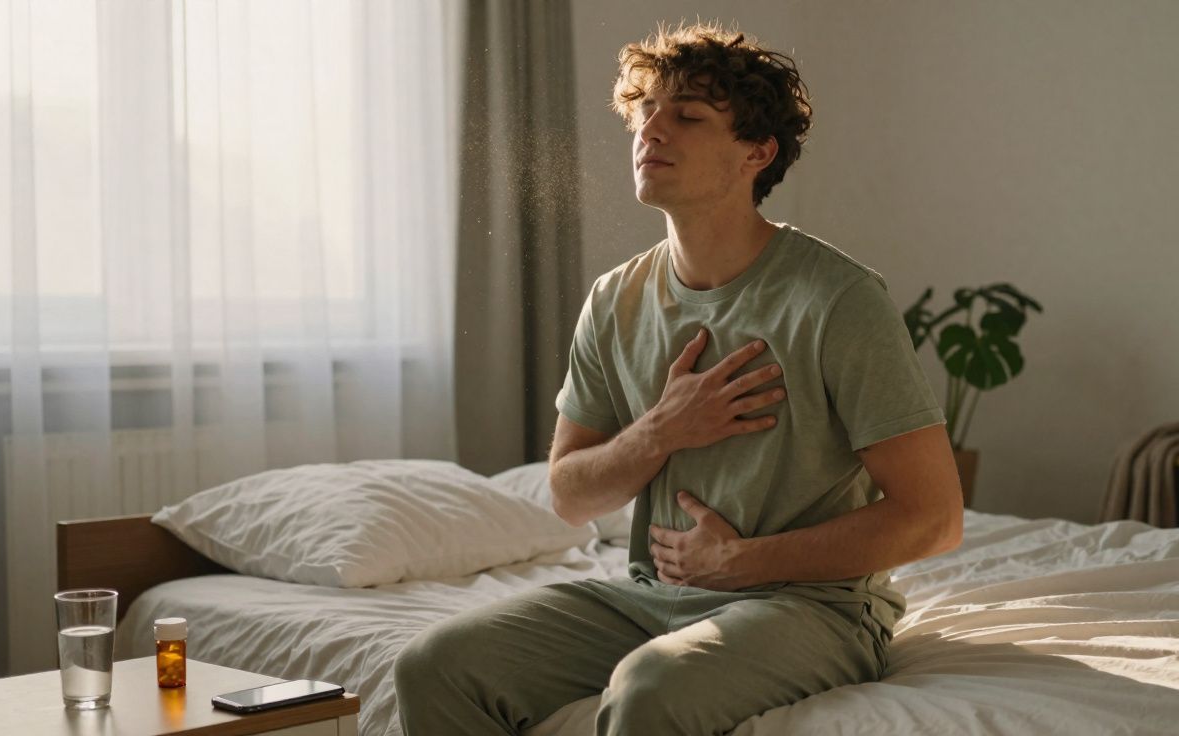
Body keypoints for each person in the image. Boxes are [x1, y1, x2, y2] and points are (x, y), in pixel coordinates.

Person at [394, 20, 963, 736]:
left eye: (687, 116)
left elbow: (933, 518)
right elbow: (570, 494)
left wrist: (743, 562)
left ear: (757, 152)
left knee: (649, 689)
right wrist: (660, 432)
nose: (651, 130)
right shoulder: (615, 299)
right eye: (645, 112)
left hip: (812, 607)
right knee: (434, 664)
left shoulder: (838, 299)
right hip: (651, 597)